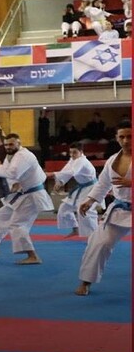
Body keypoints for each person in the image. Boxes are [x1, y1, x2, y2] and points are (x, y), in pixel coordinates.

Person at [0, 133, 54, 265]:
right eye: (6, 145)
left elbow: (13, 172)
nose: (8, 147)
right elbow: (14, 174)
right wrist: (16, 182)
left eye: (11, 144)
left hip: (32, 196)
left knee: (18, 224)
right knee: (2, 215)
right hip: (22, 194)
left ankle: (33, 256)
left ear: (19, 143)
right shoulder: (11, 156)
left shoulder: (24, 155)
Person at [74, 121, 131, 296]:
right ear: (116, 138)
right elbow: (103, 183)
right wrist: (90, 200)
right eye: (122, 137)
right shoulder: (113, 160)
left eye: (130, 136)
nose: (126, 140)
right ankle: (86, 281)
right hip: (121, 208)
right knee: (99, 243)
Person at [47, 143, 99, 238]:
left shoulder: (82, 161)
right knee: (64, 208)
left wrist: (53, 174)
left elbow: (72, 172)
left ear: (81, 152)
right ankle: (75, 229)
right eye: (70, 152)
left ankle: (95, 235)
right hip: (82, 188)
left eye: (74, 152)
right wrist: (60, 182)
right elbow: (66, 170)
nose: (72, 155)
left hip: (91, 188)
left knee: (85, 211)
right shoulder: (73, 160)